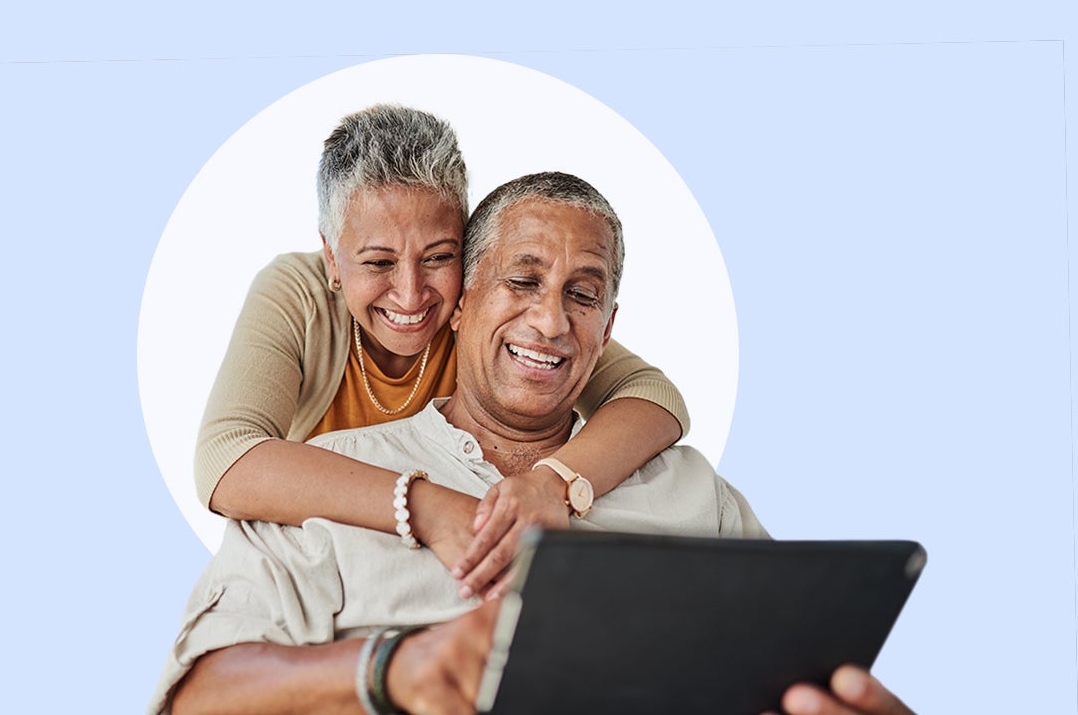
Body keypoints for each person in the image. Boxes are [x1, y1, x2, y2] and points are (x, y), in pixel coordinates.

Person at [149, 173, 916, 715]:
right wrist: (392, 669)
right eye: (522, 282)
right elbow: (196, 698)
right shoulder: (331, 480)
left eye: (582, 295)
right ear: (461, 304)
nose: (552, 323)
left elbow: (793, 668)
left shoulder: (688, 490)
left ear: (607, 328)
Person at [196, 104, 691, 596]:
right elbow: (227, 458)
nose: (411, 295)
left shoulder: (488, 311)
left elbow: (651, 395)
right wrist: (424, 507)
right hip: (340, 556)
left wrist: (555, 482)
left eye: (438, 257)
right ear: (331, 257)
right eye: (378, 262)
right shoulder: (298, 295)